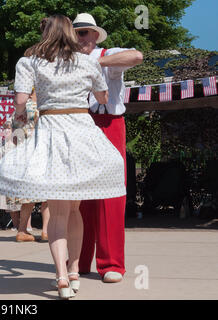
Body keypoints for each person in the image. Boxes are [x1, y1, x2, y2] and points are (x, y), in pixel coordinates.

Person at [0, 15, 126, 299]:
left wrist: (20, 115)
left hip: (51, 131)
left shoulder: (30, 62)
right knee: (75, 210)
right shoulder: (87, 62)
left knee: (58, 212)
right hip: (81, 132)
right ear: (70, 34)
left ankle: (62, 278)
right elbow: (102, 98)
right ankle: (75, 271)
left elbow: (20, 102)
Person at [73, 13, 143, 283]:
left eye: (83, 33)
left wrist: (94, 62)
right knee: (80, 195)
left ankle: (111, 263)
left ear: (94, 35)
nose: (79, 38)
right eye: (75, 33)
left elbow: (136, 56)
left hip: (109, 124)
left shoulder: (106, 54)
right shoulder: (67, 60)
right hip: (79, 124)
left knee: (111, 194)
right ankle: (78, 260)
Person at [8, 89, 50, 243]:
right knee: (47, 195)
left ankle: (21, 230)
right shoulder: (42, 108)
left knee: (28, 196)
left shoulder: (17, 111)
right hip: (40, 153)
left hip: (23, 155)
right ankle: (46, 231)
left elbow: (14, 138)